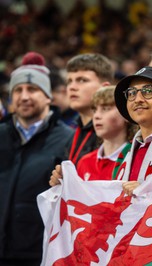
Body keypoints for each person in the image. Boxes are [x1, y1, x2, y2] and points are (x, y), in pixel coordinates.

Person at [0, 52, 74, 265]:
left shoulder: (67, 139)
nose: (24, 97)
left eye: (32, 89)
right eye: (18, 90)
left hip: (39, 253)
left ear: (48, 96)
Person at [76, 85, 138, 181]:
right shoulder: (85, 162)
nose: (96, 116)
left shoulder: (136, 159)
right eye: (94, 110)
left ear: (126, 114)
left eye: (105, 109)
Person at [65, 53, 114, 165]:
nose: (72, 87)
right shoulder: (71, 135)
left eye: (82, 80)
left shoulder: (113, 133)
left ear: (104, 88)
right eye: (69, 81)